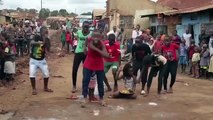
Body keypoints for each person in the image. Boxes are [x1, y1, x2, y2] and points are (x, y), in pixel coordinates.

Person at [81, 30, 110, 107]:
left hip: (99, 64)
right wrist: (84, 48)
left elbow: (105, 53)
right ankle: (84, 97)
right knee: (85, 80)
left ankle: (101, 98)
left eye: (98, 36)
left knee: (100, 82)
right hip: (89, 63)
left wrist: (106, 54)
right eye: (94, 36)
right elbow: (92, 47)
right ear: (92, 37)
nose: (96, 38)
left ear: (100, 37)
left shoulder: (102, 43)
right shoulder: (90, 41)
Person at [72, 21, 91, 93]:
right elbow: (75, 38)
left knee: (86, 70)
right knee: (74, 69)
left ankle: (85, 86)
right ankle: (74, 86)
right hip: (78, 52)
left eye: (87, 27)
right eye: (84, 27)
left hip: (87, 53)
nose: (85, 28)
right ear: (82, 27)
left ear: (89, 27)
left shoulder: (91, 34)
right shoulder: (79, 32)